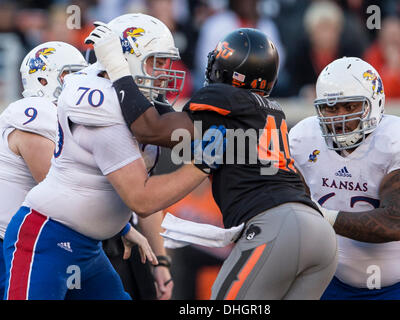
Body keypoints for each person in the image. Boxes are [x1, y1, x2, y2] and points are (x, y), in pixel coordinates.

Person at [87, 17, 338, 299]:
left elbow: (148, 129)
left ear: (227, 73)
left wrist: (119, 68)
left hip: (276, 227)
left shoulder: (226, 99)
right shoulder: (269, 111)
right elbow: (183, 129)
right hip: (319, 234)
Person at [2, 15, 205, 299]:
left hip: (87, 247)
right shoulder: (98, 103)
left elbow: (177, 141)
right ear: (124, 58)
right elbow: (142, 199)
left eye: (163, 62)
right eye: (154, 61)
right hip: (46, 239)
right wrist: (208, 161)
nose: (162, 72)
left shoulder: (137, 107)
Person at [289, 57, 400, 300]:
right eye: (331, 107)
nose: (340, 118)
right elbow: (288, 205)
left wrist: (321, 215)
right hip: (331, 279)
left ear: (374, 103)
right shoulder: (303, 138)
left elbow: (395, 224)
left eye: (350, 107)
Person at [0, 41, 88, 298]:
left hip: (32, 239)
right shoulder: (35, 113)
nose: (81, 85)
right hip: (10, 241)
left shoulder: (59, 118)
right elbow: (57, 187)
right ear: (43, 79)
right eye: (71, 76)